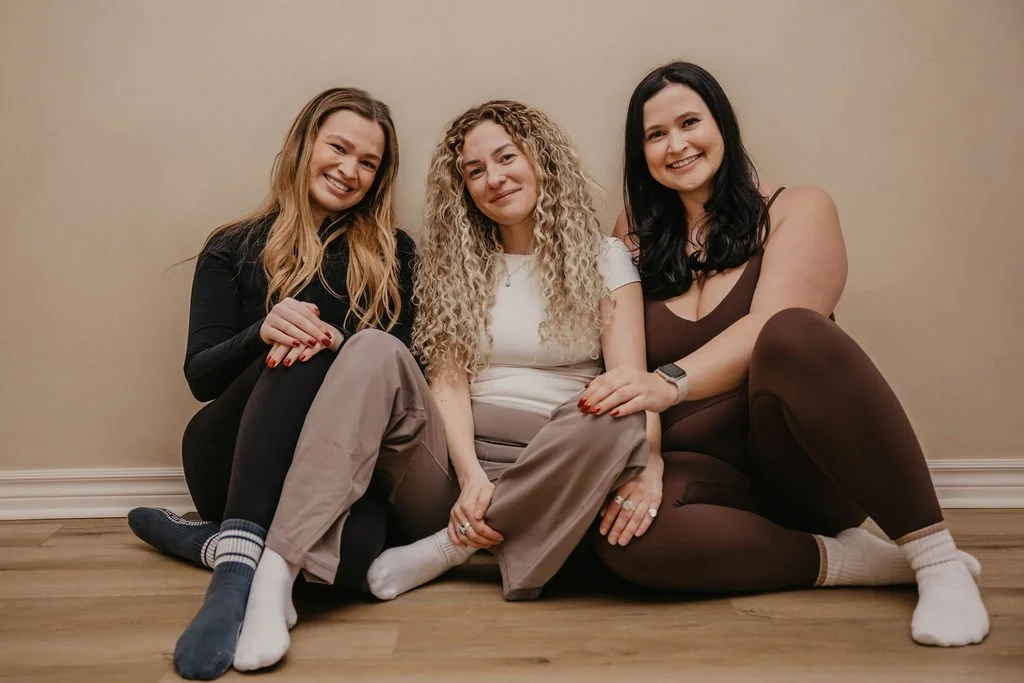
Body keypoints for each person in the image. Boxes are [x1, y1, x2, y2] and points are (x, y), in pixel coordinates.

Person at [228, 100, 650, 671]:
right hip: (453, 471)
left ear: (542, 159)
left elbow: (631, 381)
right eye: (474, 171)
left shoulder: (606, 258)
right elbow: (446, 384)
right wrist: (471, 476)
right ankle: (276, 570)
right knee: (373, 346)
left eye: (506, 158)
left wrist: (652, 465)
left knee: (623, 409)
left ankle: (455, 548)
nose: (493, 179)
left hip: (559, 459)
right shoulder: (453, 261)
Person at [580, 61, 988, 648]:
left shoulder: (799, 206)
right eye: (655, 135)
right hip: (704, 470)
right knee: (625, 537)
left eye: (690, 121)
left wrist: (671, 381)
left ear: (722, 123)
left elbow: (772, 322)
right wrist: (646, 461)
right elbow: (626, 365)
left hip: (799, 464)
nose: (677, 145)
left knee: (795, 332)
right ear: (639, 151)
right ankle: (852, 564)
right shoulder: (631, 237)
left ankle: (935, 560)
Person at [125, 87, 416, 679]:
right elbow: (201, 377)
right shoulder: (232, 246)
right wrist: (264, 331)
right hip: (227, 457)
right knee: (297, 347)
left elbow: (402, 373)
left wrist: (345, 350)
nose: (349, 170)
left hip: (332, 477)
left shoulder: (394, 254)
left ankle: (209, 544)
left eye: (369, 162)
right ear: (304, 144)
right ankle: (233, 579)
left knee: (355, 561)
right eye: (338, 148)